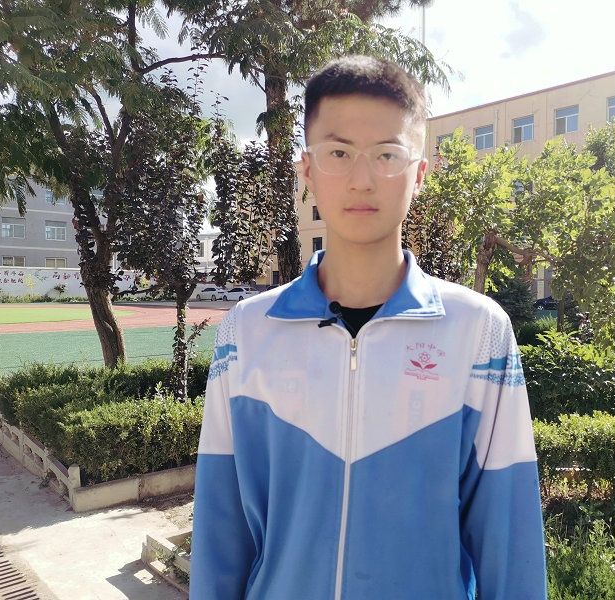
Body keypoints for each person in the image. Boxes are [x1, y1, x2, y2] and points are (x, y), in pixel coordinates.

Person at [190, 55, 547, 600]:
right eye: (338, 153)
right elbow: (220, 531)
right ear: (307, 170)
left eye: (387, 154)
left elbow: (509, 538)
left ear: (419, 174)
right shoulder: (247, 333)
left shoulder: (479, 333)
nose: (362, 180)